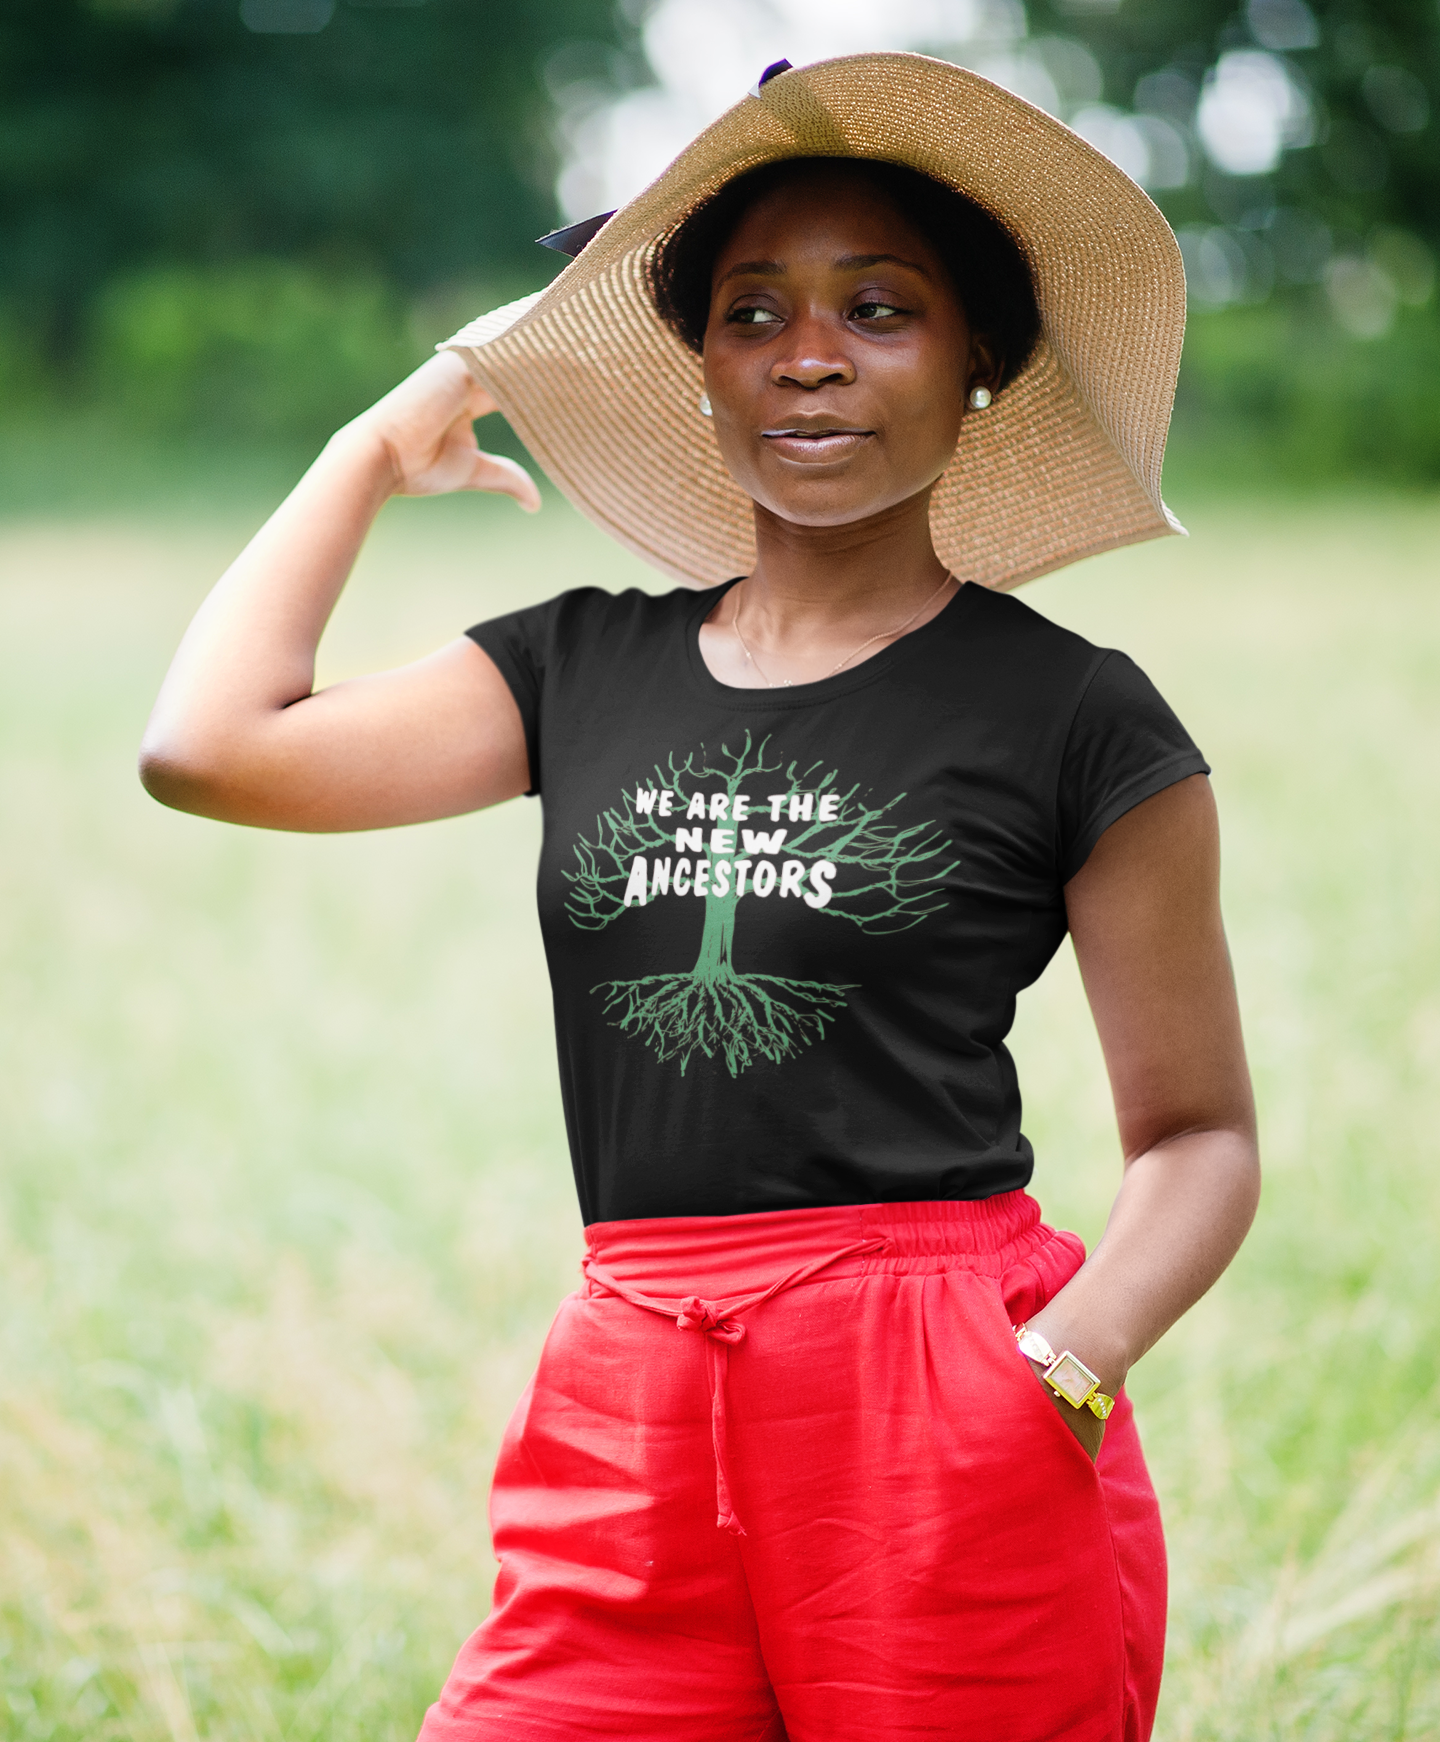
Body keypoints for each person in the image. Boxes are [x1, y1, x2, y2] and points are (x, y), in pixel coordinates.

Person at [140, 53, 1259, 1742]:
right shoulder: (578, 666)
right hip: (630, 1379)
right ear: (707, 369)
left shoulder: (1078, 716)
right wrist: (379, 436)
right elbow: (207, 747)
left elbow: (1200, 1137)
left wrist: (1056, 1370)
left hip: (939, 1389)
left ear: (978, 364)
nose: (809, 353)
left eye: (880, 307)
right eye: (752, 311)